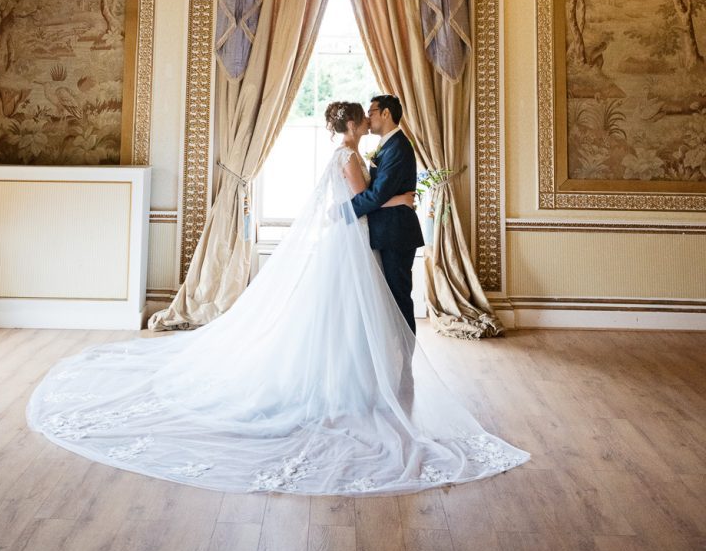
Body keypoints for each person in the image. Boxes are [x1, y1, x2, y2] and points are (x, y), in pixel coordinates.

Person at [27, 99, 528, 494]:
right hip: (355, 241)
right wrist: (395, 197)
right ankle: (374, 375)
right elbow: (364, 201)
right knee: (356, 311)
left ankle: (383, 369)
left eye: (374, 115)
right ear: (354, 125)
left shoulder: (352, 153)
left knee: (352, 313)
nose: (370, 122)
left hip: (360, 240)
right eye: (365, 117)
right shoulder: (353, 156)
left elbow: (366, 196)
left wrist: (392, 196)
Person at [350, 94, 424, 333]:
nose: (367, 118)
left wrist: (345, 210)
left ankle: (405, 358)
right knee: (386, 298)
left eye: (371, 112)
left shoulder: (399, 147)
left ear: (385, 114)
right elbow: (377, 191)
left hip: (396, 234)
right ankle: (392, 355)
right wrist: (399, 199)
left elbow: (378, 193)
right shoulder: (386, 146)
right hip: (384, 232)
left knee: (399, 296)